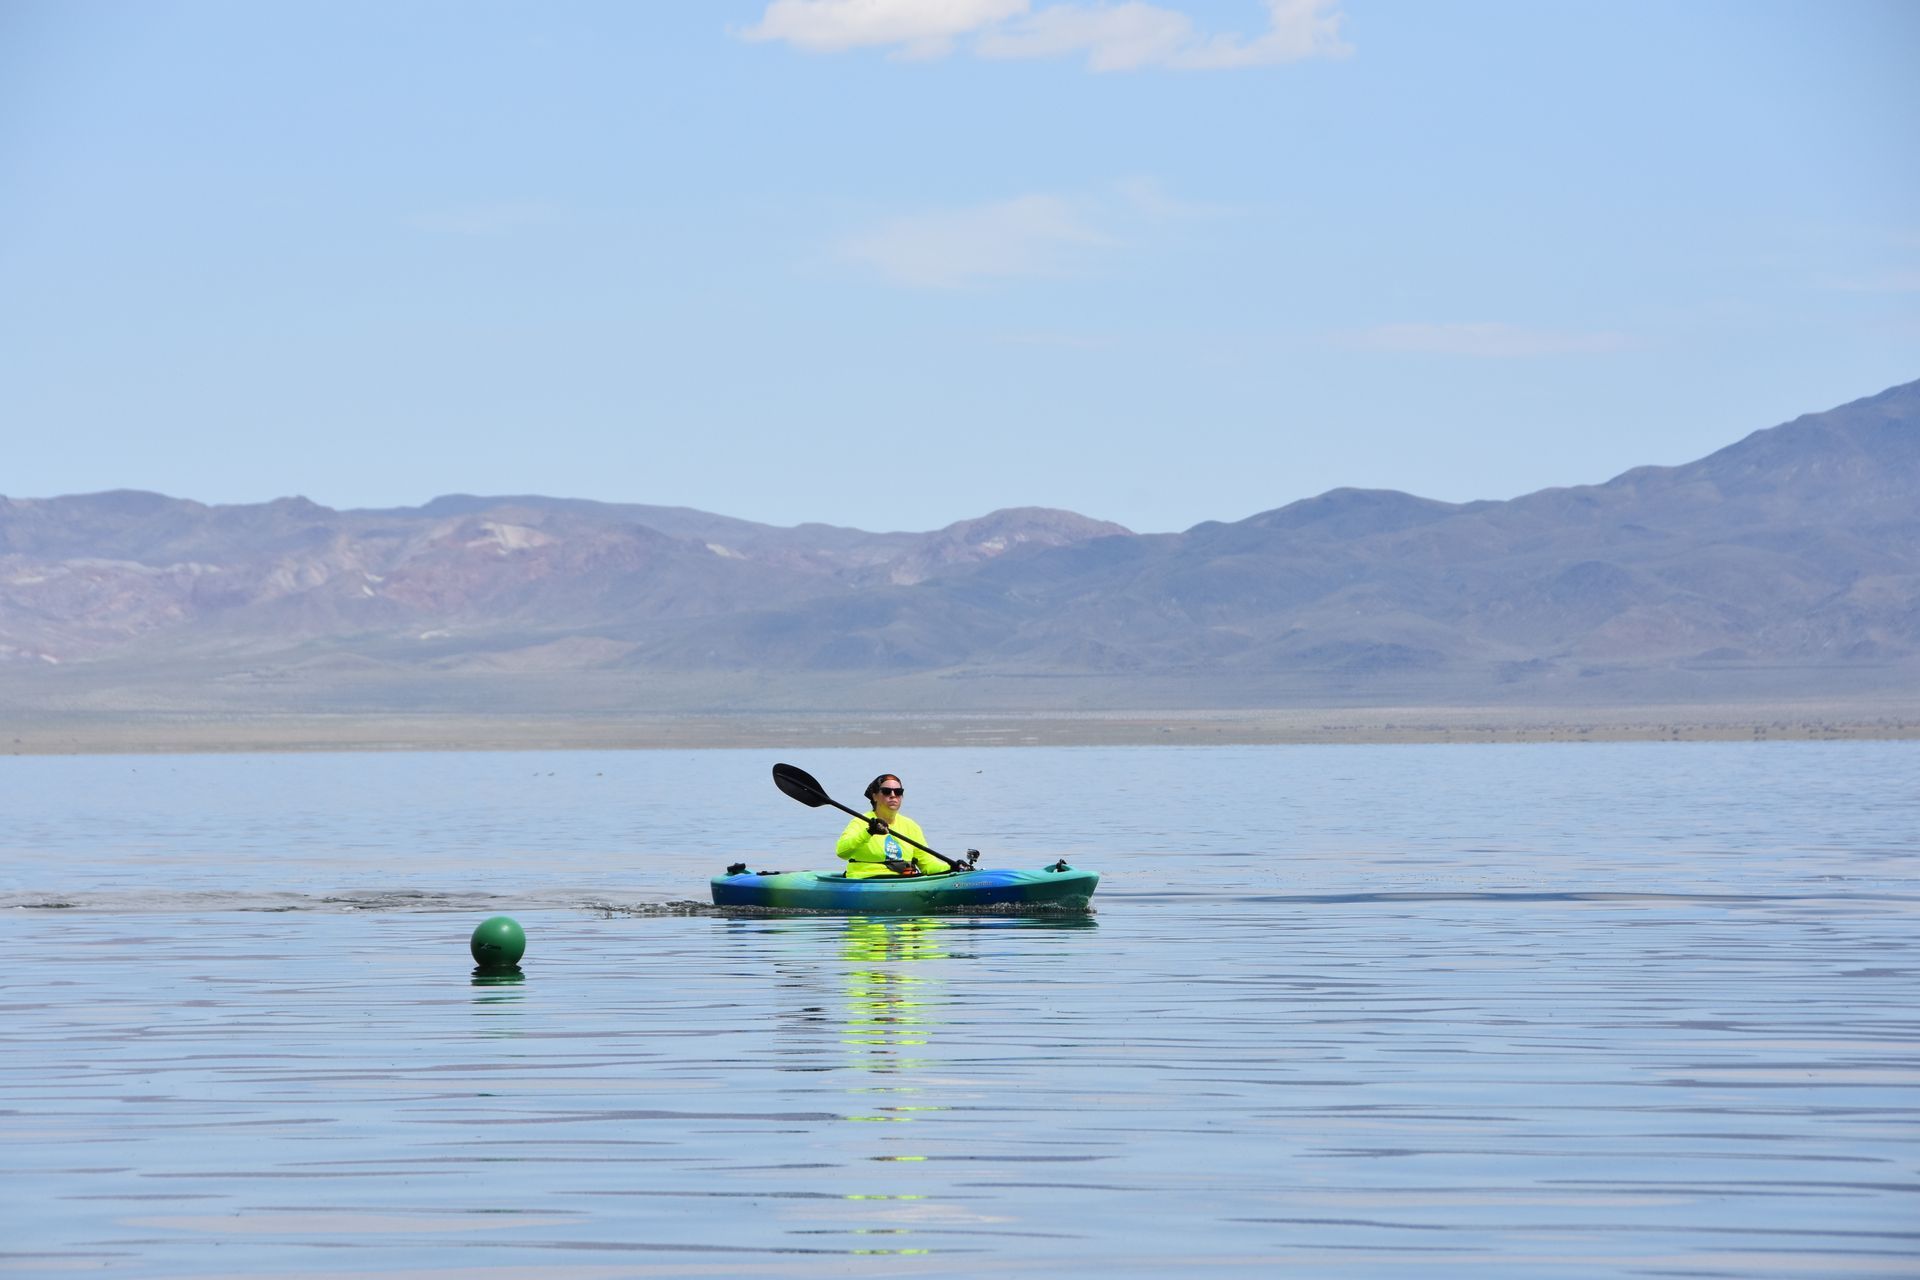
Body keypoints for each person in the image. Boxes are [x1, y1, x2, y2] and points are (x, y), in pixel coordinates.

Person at [835, 774, 948, 878]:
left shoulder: (911, 826)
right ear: (875, 796)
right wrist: (868, 832)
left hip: (902, 881)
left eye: (898, 792)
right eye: (886, 791)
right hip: (866, 879)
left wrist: (952, 868)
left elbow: (927, 864)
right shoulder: (860, 822)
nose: (893, 795)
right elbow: (842, 852)